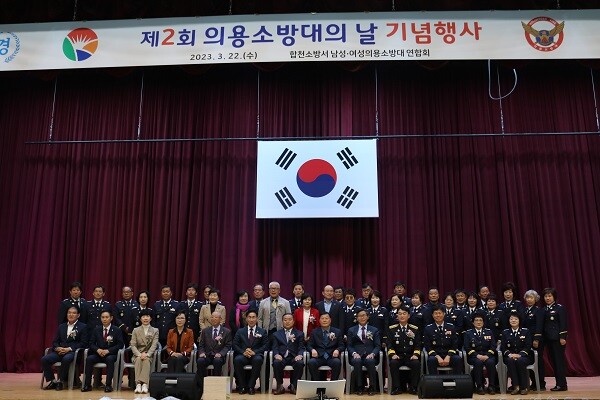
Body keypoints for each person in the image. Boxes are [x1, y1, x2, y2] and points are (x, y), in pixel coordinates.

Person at [42, 306, 88, 391]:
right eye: (69, 313)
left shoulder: (83, 327)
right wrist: (57, 348)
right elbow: (55, 341)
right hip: (59, 352)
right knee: (45, 359)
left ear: (78, 315)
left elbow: (83, 343)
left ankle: (61, 381)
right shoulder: (61, 326)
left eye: (74, 313)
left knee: (66, 359)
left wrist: (69, 349)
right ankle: (53, 381)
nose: (71, 315)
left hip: (73, 352)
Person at [81, 310, 124, 393]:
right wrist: (98, 350)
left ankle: (108, 385)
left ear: (111, 318)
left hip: (111, 354)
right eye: (103, 317)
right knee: (89, 359)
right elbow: (91, 343)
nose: (104, 319)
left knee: (109, 359)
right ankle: (87, 385)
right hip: (99, 354)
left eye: (107, 317)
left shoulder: (117, 330)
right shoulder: (96, 329)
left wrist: (108, 351)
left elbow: (120, 345)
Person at [387, 306, 421, 395]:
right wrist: (393, 354)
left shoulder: (414, 329)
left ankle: (413, 388)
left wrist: (415, 355)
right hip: (398, 356)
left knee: (416, 363)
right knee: (393, 363)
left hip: (410, 356)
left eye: (404, 314)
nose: (402, 316)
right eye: (400, 314)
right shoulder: (392, 329)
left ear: (408, 316)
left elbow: (418, 344)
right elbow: (389, 345)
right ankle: (396, 388)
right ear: (397, 316)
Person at [233, 310, 269, 395]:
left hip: (256, 355)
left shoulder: (262, 331)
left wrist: (254, 352)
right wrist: (243, 352)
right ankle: (242, 386)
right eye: (249, 317)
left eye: (253, 317)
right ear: (246, 319)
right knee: (237, 360)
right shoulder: (240, 331)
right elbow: (235, 345)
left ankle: (251, 386)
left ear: (257, 319)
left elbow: (266, 345)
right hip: (243, 355)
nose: (251, 319)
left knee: (258, 360)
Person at [347, 309, 381, 395]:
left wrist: (373, 354)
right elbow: (349, 346)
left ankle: (372, 387)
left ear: (368, 317)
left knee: (370, 361)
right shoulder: (351, 330)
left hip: (370, 355)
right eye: (359, 316)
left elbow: (378, 346)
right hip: (357, 355)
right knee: (357, 361)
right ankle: (359, 387)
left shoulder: (374, 330)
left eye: (364, 315)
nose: (362, 318)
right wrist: (354, 353)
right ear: (357, 318)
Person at [271, 314, 305, 395]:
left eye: (290, 320)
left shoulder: (299, 334)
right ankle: (280, 386)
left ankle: (294, 386)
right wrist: (276, 354)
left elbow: (302, 347)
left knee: (300, 363)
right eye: (285, 320)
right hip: (282, 357)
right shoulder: (276, 334)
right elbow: (274, 347)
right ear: (282, 321)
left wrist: (300, 355)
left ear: (293, 321)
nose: (287, 322)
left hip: (294, 357)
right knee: (276, 362)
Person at [464, 312, 497, 395]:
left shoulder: (489, 332)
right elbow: (467, 347)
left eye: (480, 320)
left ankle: (491, 386)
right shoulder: (468, 333)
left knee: (491, 362)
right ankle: (479, 386)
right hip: (474, 356)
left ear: (483, 322)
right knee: (478, 363)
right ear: (473, 322)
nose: (478, 322)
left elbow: (493, 346)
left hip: (487, 356)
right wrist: (477, 355)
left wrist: (487, 355)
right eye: (476, 320)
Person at [542, 287, 568, 392]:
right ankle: (559, 384)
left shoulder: (559, 308)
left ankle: (562, 384)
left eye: (549, 296)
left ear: (554, 297)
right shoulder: (544, 309)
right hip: (548, 339)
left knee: (559, 362)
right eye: (545, 296)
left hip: (557, 339)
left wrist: (562, 337)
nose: (547, 298)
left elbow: (563, 323)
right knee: (554, 362)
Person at [423, 306, 461, 374]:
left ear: (444, 314)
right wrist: (437, 356)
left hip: (449, 354)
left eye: (440, 313)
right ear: (432, 315)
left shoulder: (451, 327)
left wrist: (448, 356)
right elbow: (428, 346)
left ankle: (456, 379)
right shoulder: (428, 329)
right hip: (435, 355)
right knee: (431, 360)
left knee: (457, 359)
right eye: (435, 313)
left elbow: (454, 344)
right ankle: (434, 380)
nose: (438, 315)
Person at [501, 313, 532, 395]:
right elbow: (503, 347)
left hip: (524, 356)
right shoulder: (505, 332)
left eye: (515, 319)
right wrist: (510, 355)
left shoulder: (526, 331)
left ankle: (524, 387)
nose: (513, 320)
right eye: (511, 319)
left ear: (519, 321)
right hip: (510, 356)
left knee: (520, 361)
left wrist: (520, 355)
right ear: (509, 321)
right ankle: (516, 386)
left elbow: (528, 346)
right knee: (510, 361)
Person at [307, 313, 345, 381]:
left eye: (326, 318)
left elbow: (342, 345)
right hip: (319, 357)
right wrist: (312, 350)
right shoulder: (314, 332)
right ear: (319, 320)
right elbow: (309, 345)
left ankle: (333, 383)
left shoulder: (337, 331)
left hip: (331, 356)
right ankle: (317, 383)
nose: (324, 320)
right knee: (311, 362)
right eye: (322, 318)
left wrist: (337, 350)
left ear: (330, 320)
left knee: (337, 362)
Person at [130, 309, 159, 394]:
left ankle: (144, 384)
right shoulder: (135, 330)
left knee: (146, 360)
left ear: (151, 318)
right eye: (143, 316)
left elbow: (154, 345)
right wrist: (139, 354)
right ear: (140, 319)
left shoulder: (155, 330)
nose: (145, 318)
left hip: (149, 355)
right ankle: (138, 385)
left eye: (147, 316)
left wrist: (148, 354)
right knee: (139, 359)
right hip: (137, 354)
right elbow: (133, 345)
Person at [196, 311, 233, 378]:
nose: (213, 319)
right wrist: (202, 352)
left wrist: (221, 353)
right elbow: (201, 344)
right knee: (200, 361)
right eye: (212, 317)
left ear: (220, 319)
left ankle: (216, 382)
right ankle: (202, 382)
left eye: (216, 317)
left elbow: (228, 345)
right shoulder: (205, 331)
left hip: (219, 356)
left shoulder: (226, 331)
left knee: (217, 361)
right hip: (207, 355)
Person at [523, 289, 545, 391]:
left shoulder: (539, 310)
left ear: (536, 299)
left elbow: (539, 326)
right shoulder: (524, 310)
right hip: (526, 340)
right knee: (530, 361)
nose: (529, 299)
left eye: (531, 297)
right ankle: (533, 382)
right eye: (527, 297)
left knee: (538, 361)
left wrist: (536, 339)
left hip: (536, 340)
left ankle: (541, 383)